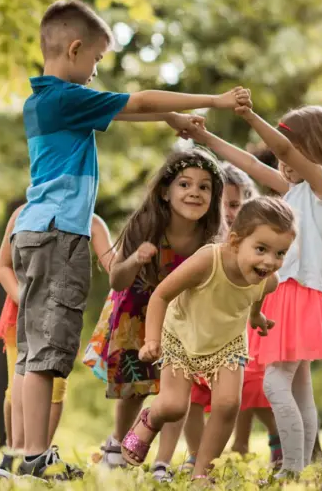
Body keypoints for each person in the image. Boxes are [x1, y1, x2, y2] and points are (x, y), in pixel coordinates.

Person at [10, 0, 245, 479]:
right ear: (74, 49)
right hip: (58, 236)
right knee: (50, 352)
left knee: (36, 350)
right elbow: (137, 102)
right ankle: (33, 457)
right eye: (95, 60)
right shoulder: (65, 98)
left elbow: (132, 111)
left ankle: (27, 454)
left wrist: (171, 121)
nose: (96, 71)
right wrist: (213, 102)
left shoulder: (44, 102)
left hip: (36, 232)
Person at [183, 100, 322, 476]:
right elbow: (252, 165)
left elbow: (281, 149)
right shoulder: (297, 191)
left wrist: (248, 115)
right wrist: (203, 136)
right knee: (299, 390)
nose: (282, 162)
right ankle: (305, 466)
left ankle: (291, 469)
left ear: (314, 149)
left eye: (291, 150)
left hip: (297, 293)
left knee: (277, 384)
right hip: (291, 294)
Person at [120, 197, 298, 483]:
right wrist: (151, 340)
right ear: (236, 241)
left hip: (227, 343)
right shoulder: (208, 260)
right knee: (175, 405)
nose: (270, 261)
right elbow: (161, 295)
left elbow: (258, 295)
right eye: (261, 249)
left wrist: (255, 317)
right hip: (182, 335)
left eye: (280, 253)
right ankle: (149, 418)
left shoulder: (269, 279)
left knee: (228, 404)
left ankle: (202, 472)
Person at [81, 149, 224, 480]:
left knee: (177, 392)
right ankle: (117, 446)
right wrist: (135, 259)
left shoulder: (211, 236)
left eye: (204, 187)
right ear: (165, 190)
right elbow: (117, 279)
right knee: (136, 386)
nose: (195, 193)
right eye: (185, 184)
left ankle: (162, 461)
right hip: (137, 311)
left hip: (181, 317)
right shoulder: (146, 224)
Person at [0, 208, 114, 479]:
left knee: (55, 386)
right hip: (20, 315)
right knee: (18, 386)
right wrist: (25, 301)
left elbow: (114, 264)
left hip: (60, 316)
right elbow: (3, 266)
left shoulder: (90, 221)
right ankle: (13, 455)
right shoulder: (23, 214)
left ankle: (38, 456)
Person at [180, 163, 284, 472]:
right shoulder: (199, 238)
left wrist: (256, 313)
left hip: (236, 331)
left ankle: (277, 438)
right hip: (196, 330)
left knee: (249, 390)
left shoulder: (253, 245)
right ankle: (197, 456)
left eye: (236, 204)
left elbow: (264, 282)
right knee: (193, 396)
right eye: (222, 203)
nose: (227, 211)